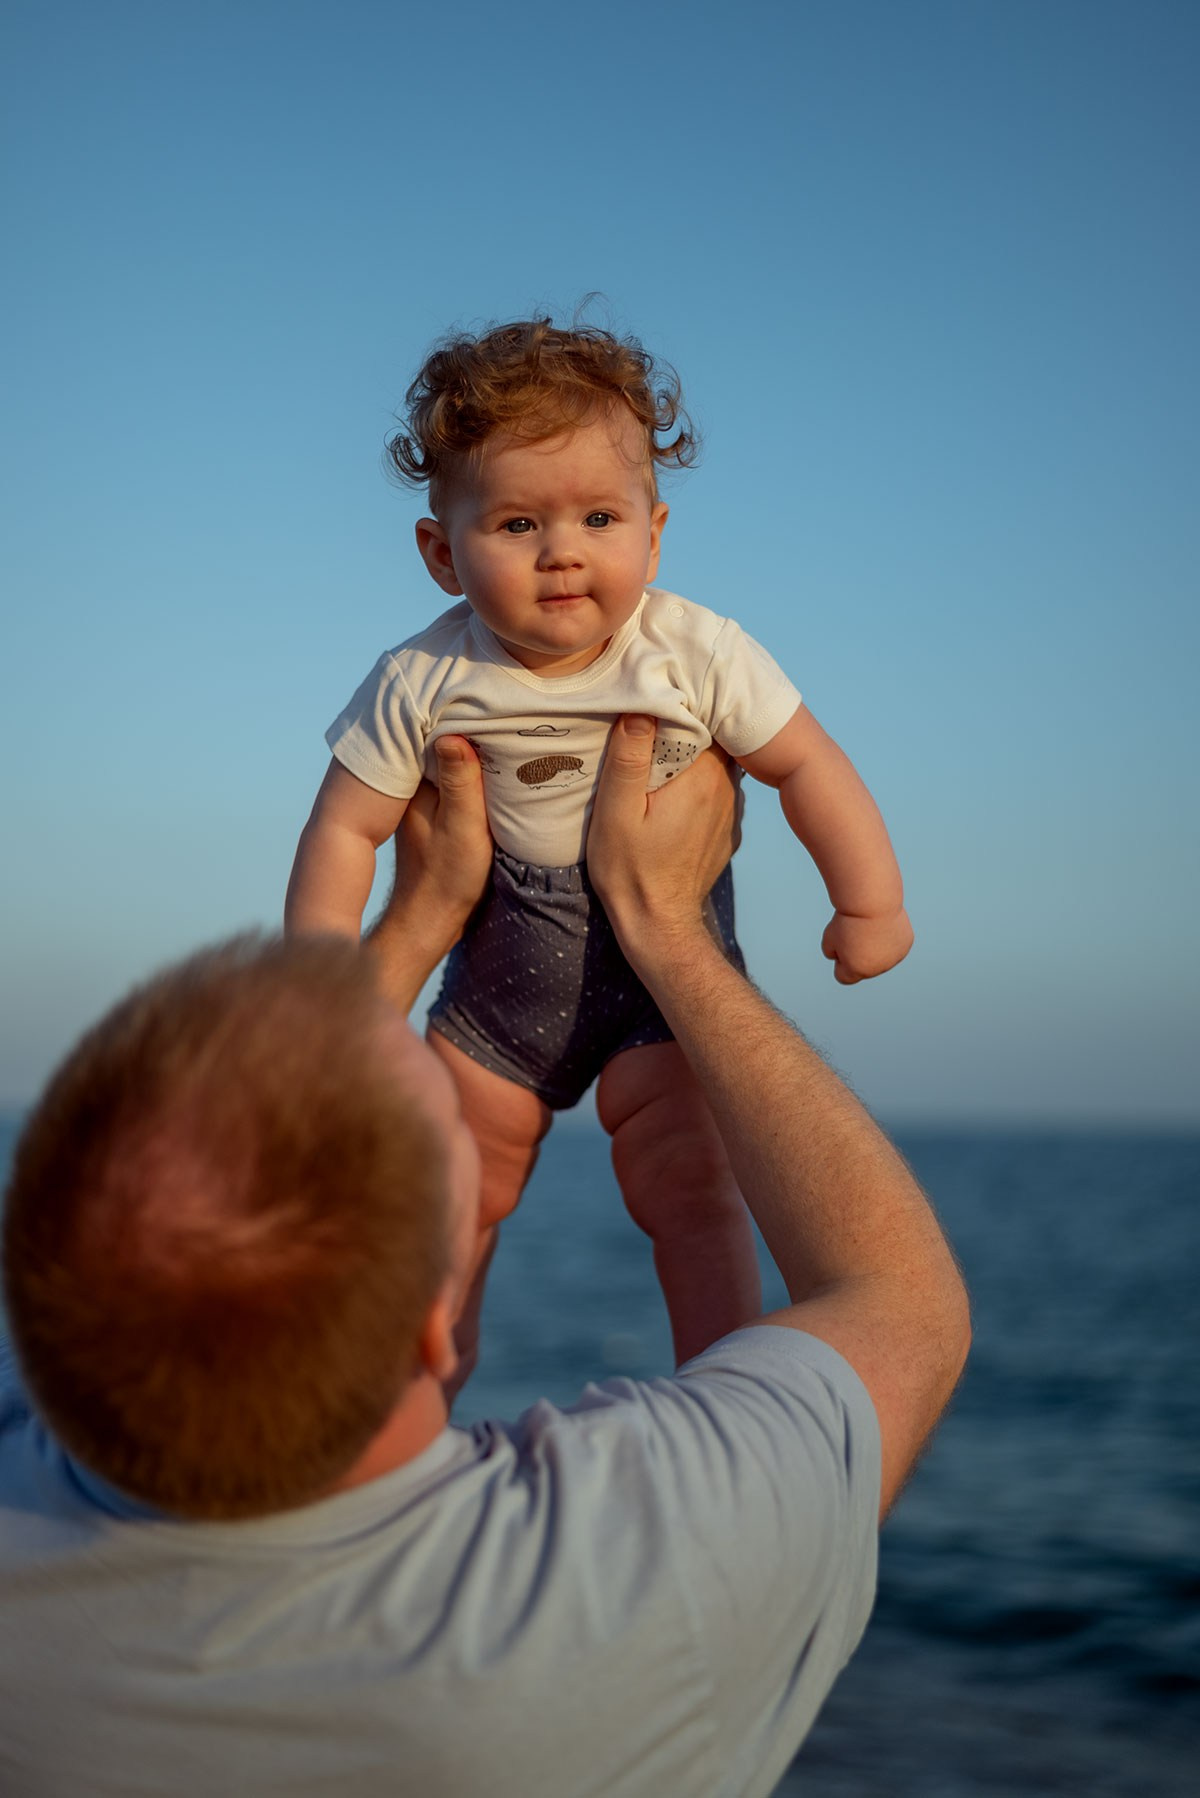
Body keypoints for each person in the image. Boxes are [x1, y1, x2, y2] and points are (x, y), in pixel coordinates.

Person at [0, 723, 968, 1798]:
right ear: (430, 1319)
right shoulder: (638, 1588)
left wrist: (416, 917)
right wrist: (670, 930)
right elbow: (903, 1302)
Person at [286, 317, 914, 1373]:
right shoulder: (421, 678)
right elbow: (345, 828)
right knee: (452, 1194)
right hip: (498, 996)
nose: (563, 549)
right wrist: (314, 977)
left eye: (599, 516)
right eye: (519, 521)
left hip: (665, 996)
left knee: (694, 1190)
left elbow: (808, 764)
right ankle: (423, 1393)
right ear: (443, 553)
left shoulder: (694, 650)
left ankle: (721, 1394)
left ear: (655, 535)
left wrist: (869, 902)